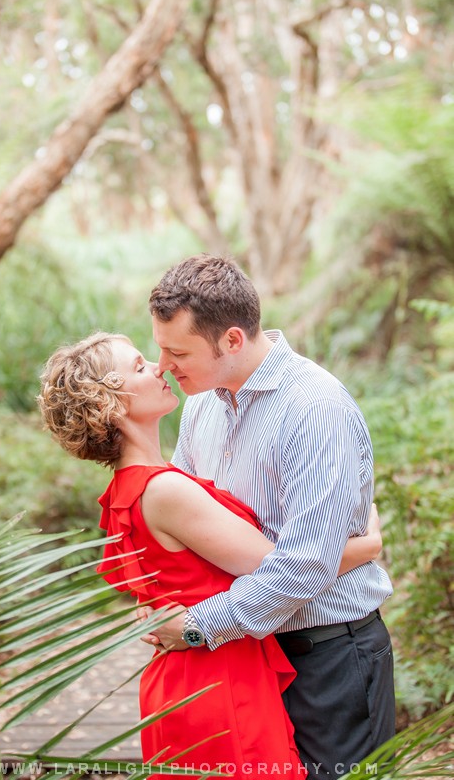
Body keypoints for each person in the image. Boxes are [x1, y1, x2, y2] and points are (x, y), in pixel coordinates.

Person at [37, 331, 381, 780]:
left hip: (191, 676)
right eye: (140, 366)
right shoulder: (165, 489)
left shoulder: (141, 485)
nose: (159, 367)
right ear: (111, 405)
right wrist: (368, 546)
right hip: (217, 682)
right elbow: (283, 568)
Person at [140, 254, 396, 780]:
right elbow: (193, 539)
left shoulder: (314, 407)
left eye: (177, 351)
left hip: (329, 660)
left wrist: (194, 627)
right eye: (160, 348)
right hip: (248, 663)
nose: (163, 364)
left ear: (232, 340)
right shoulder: (200, 408)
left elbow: (303, 568)